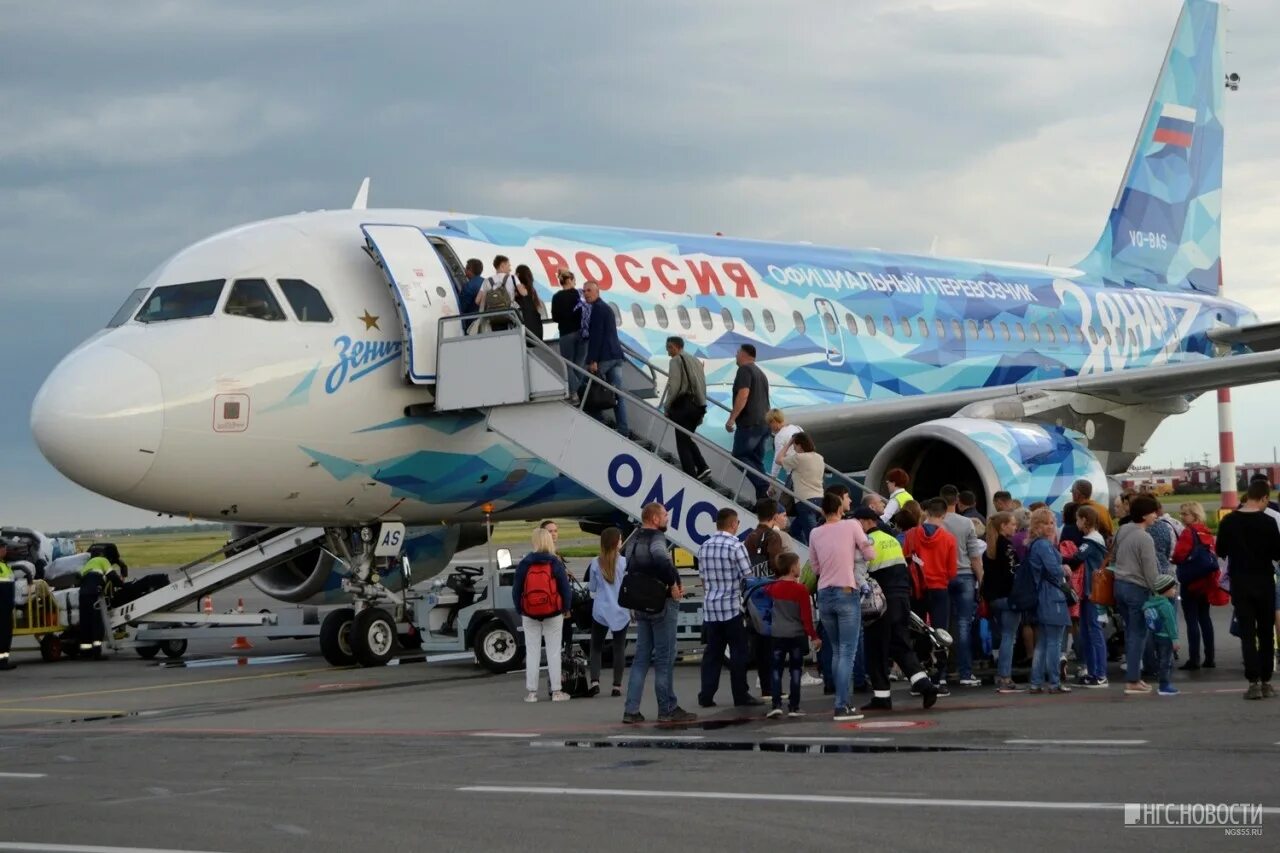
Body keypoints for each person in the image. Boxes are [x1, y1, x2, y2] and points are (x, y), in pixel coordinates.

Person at [852, 507, 939, 709]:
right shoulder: (891, 539)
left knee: (876, 648)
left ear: (865, 522)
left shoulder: (867, 542)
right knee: (901, 645)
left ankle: (882, 697)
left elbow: (862, 572)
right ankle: (924, 685)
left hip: (881, 602)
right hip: (901, 599)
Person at [623, 503, 696, 723]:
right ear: (655, 518)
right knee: (664, 658)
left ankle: (631, 709)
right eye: (665, 515)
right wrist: (673, 582)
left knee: (641, 658)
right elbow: (662, 560)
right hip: (660, 601)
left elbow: (629, 564)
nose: (667, 518)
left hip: (640, 601)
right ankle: (667, 708)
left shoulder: (633, 539)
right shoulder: (656, 538)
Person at [808, 491, 876, 721]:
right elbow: (870, 554)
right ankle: (842, 704)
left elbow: (815, 567)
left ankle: (841, 701)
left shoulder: (815, 532)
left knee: (837, 650)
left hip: (824, 593)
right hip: (847, 590)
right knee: (848, 650)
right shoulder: (852, 526)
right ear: (839, 509)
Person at [1214, 480, 1280, 700]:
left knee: (1248, 634)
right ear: (1263, 498)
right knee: (1265, 632)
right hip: (1264, 581)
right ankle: (1267, 681)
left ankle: (1253, 682)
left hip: (1241, 582)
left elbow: (1221, 550)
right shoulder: (1269, 522)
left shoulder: (1229, 521)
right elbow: (1277, 553)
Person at [697, 508, 764, 709]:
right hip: (732, 608)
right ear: (733, 524)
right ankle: (740, 695)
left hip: (711, 608)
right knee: (738, 653)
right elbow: (748, 576)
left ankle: (706, 695)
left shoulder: (704, 546)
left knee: (712, 654)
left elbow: (702, 578)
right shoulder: (736, 546)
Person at [512, 528, 573, 702]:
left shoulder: (525, 563)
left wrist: (520, 608)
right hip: (553, 611)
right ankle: (556, 691)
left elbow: (516, 589)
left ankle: (532, 693)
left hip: (529, 612)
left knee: (532, 652)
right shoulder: (555, 562)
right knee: (554, 651)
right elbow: (565, 589)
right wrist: (566, 608)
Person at [904, 498, 958, 690]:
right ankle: (939, 678)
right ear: (943, 515)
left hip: (917, 590)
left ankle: (919, 678)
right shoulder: (949, 539)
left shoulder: (911, 535)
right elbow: (952, 571)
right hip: (939, 588)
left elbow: (906, 561)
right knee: (940, 633)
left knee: (918, 633)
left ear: (925, 512)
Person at [1112, 494, 1161, 694]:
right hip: (1137, 589)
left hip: (1120, 586)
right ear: (1144, 515)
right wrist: (1158, 592)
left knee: (1131, 632)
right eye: (1153, 513)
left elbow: (1113, 555)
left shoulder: (1123, 529)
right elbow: (1151, 571)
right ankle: (1133, 679)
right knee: (1138, 634)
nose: (1156, 516)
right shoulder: (1145, 537)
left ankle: (1134, 677)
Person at [764, 552, 821, 718]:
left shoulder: (771, 588)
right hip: (796, 635)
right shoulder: (801, 590)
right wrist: (814, 636)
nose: (799, 568)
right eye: (797, 565)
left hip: (777, 634)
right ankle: (794, 706)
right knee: (795, 670)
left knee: (776, 669)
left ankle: (776, 704)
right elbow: (806, 617)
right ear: (791, 568)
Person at [940, 484, 984, 687]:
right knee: (964, 624)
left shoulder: (934, 523)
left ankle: (941, 672)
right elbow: (974, 555)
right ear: (957, 500)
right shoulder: (967, 523)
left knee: (942, 625)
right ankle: (966, 672)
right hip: (965, 575)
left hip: (942, 577)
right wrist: (981, 579)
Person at [1026, 508, 1071, 694]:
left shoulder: (1035, 544)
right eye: (1045, 523)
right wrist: (1065, 568)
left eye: (1052, 522)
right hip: (1052, 595)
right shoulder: (1044, 545)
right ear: (1037, 525)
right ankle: (1054, 682)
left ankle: (1036, 682)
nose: (1050, 526)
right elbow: (1054, 570)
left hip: (1041, 595)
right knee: (1054, 641)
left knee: (1043, 642)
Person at [1171, 502, 1216, 671]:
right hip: (1205, 580)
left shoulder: (1188, 533)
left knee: (1191, 619)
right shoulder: (1206, 531)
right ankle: (1210, 657)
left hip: (1191, 580)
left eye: (1185, 514)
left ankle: (1194, 658)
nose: (1182, 517)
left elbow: (1178, 555)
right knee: (1205, 618)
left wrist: (1174, 560)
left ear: (1194, 515)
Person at [981, 511, 1022, 692]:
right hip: (1008, 597)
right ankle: (1005, 675)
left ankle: (1001, 672)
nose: (1015, 527)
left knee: (1003, 635)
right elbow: (1013, 574)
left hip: (993, 597)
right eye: (1012, 524)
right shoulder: (1007, 547)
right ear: (1003, 526)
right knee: (1009, 637)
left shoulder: (990, 547)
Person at [724, 344, 771, 499]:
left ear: (743, 354)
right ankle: (764, 498)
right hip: (764, 424)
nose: (736, 356)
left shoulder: (744, 370)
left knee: (739, 456)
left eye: (737, 353)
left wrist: (732, 418)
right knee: (756, 461)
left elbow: (743, 394)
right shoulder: (760, 373)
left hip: (750, 423)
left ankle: (764, 485)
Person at [582, 281, 629, 435]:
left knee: (586, 385)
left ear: (597, 292)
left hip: (606, 356)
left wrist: (592, 360)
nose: (586, 294)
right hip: (616, 355)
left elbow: (597, 337)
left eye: (589, 290)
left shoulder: (597, 310)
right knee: (617, 393)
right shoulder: (606, 308)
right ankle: (623, 429)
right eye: (584, 291)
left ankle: (600, 421)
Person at [587, 528, 629, 697]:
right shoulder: (625, 562)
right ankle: (617, 686)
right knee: (619, 648)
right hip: (620, 610)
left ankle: (595, 681)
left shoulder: (596, 562)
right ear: (616, 542)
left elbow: (592, 587)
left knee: (595, 647)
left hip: (601, 610)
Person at [664, 337, 710, 481]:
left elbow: (674, 386)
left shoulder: (676, 361)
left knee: (682, 443)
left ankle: (690, 476)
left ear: (674, 347)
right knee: (686, 438)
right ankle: (702, 466)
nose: (668, 353)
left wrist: (667, 405)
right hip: (697, 406)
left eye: (669, 348)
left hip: (684, 407)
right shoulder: (696, 360)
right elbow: (702, 385)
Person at [1074, 506, 1110, 687]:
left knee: (1094, 631)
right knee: (1087, 632)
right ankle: (1093, 670)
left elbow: (1075, 558)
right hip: (1089, 592)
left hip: (1092, 591)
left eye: (1078, 519)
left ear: (1085, 520)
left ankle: (1100, 673)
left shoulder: (1090, 542)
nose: (1076, 523)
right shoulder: (1093, 539)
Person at [779, 432, 826, 545]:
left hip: (805, 501)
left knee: (814, 538)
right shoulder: (819, 458)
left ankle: (817, 556)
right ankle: (807, 552)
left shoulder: (799, 458)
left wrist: (788, 443)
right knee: (795, 530)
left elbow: (779, 459)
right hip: (819, 499)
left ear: (800, 445)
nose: (794, 448)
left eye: (795, 445)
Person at [77, 552, 123, 655]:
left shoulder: (89, 563)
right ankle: (97, 652)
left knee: (85, 622)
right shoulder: (104, 560)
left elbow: (80, 579)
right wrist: (122, 585)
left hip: (83, 593)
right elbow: (112, 576)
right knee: (96, 622)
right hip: (94, 592)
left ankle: (85, 652)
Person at [550, 268, 585, 398]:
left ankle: (575, 392)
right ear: (569, 280)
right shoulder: (579, 295)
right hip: (581, 333)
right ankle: (581, 390)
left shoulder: (556, 297)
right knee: (580, 364)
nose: (575, 283)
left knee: (568, 364)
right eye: (574, 280)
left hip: (565, 333)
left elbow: (555, 318)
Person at [1144, 575, 1180, 696]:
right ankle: (1164, 686)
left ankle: (1162, 683)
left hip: (1155, 635)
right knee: (1166, 662)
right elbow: (1171, 624)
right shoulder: (1166, 606)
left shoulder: (1151, 603)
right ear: (1166, 590)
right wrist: (1175, 639)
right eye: (1174, 588)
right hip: (1166, 637)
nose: (1175, 591)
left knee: (1160, 661)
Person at [477, 254, 519, 331]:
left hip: (492, 319)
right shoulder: (512, 278)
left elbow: (477, 301)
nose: (510, 269)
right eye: (508, 266)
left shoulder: (487, 281)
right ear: (502, 266)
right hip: (509, 317)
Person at [766, 409, 804, 486]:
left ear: (774, 422)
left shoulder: (779, 436)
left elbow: (777, 461)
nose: (769, 426)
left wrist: (772, 484)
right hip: (807, 468)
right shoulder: (797, 428)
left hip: (795, 473)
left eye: (769, 423)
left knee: (786, 497)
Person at [513, 264, 544, 340]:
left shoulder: (517, 291)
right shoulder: (533, 291)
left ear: (518, 275)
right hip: (536, 331)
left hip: (523, 332)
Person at [460, 258, 485, 333]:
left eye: (466, 269)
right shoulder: (486, 282)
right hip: (485, 320)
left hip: (472, 323)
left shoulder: (468, 286)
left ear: (470, 270)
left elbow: (462, 307)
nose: (465, 271)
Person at [0, 540, 14, 670]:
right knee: (3, 634)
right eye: (3, 548)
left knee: (6, 634)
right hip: (2, 606)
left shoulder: (5, 565)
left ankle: (4, 659)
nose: (5, 550)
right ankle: (1, 661)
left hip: (6, 605)